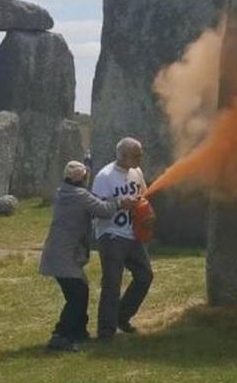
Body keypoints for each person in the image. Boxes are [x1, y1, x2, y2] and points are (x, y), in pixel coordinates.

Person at [39, 161, 138, 352]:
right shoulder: (80, 196)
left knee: (80, 292)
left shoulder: (63, 192)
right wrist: (121, 203)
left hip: (58, 252)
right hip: (64, 255)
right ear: (84, 179)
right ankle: (60, 336)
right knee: (77, 296)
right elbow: (103, 210)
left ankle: (78, 332)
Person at [92, 137, 153, 340]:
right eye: (137, 155)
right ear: (123, 155)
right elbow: (97, 210)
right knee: (112, 282)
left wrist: (147, 214)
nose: (140, 158)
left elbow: (143, 196)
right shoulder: (104, 176)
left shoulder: (136, 172)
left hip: (133, 234)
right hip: (111, 235)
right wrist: (119, 203)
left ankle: (121, 316)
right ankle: (105, 332)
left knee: (145, 276)